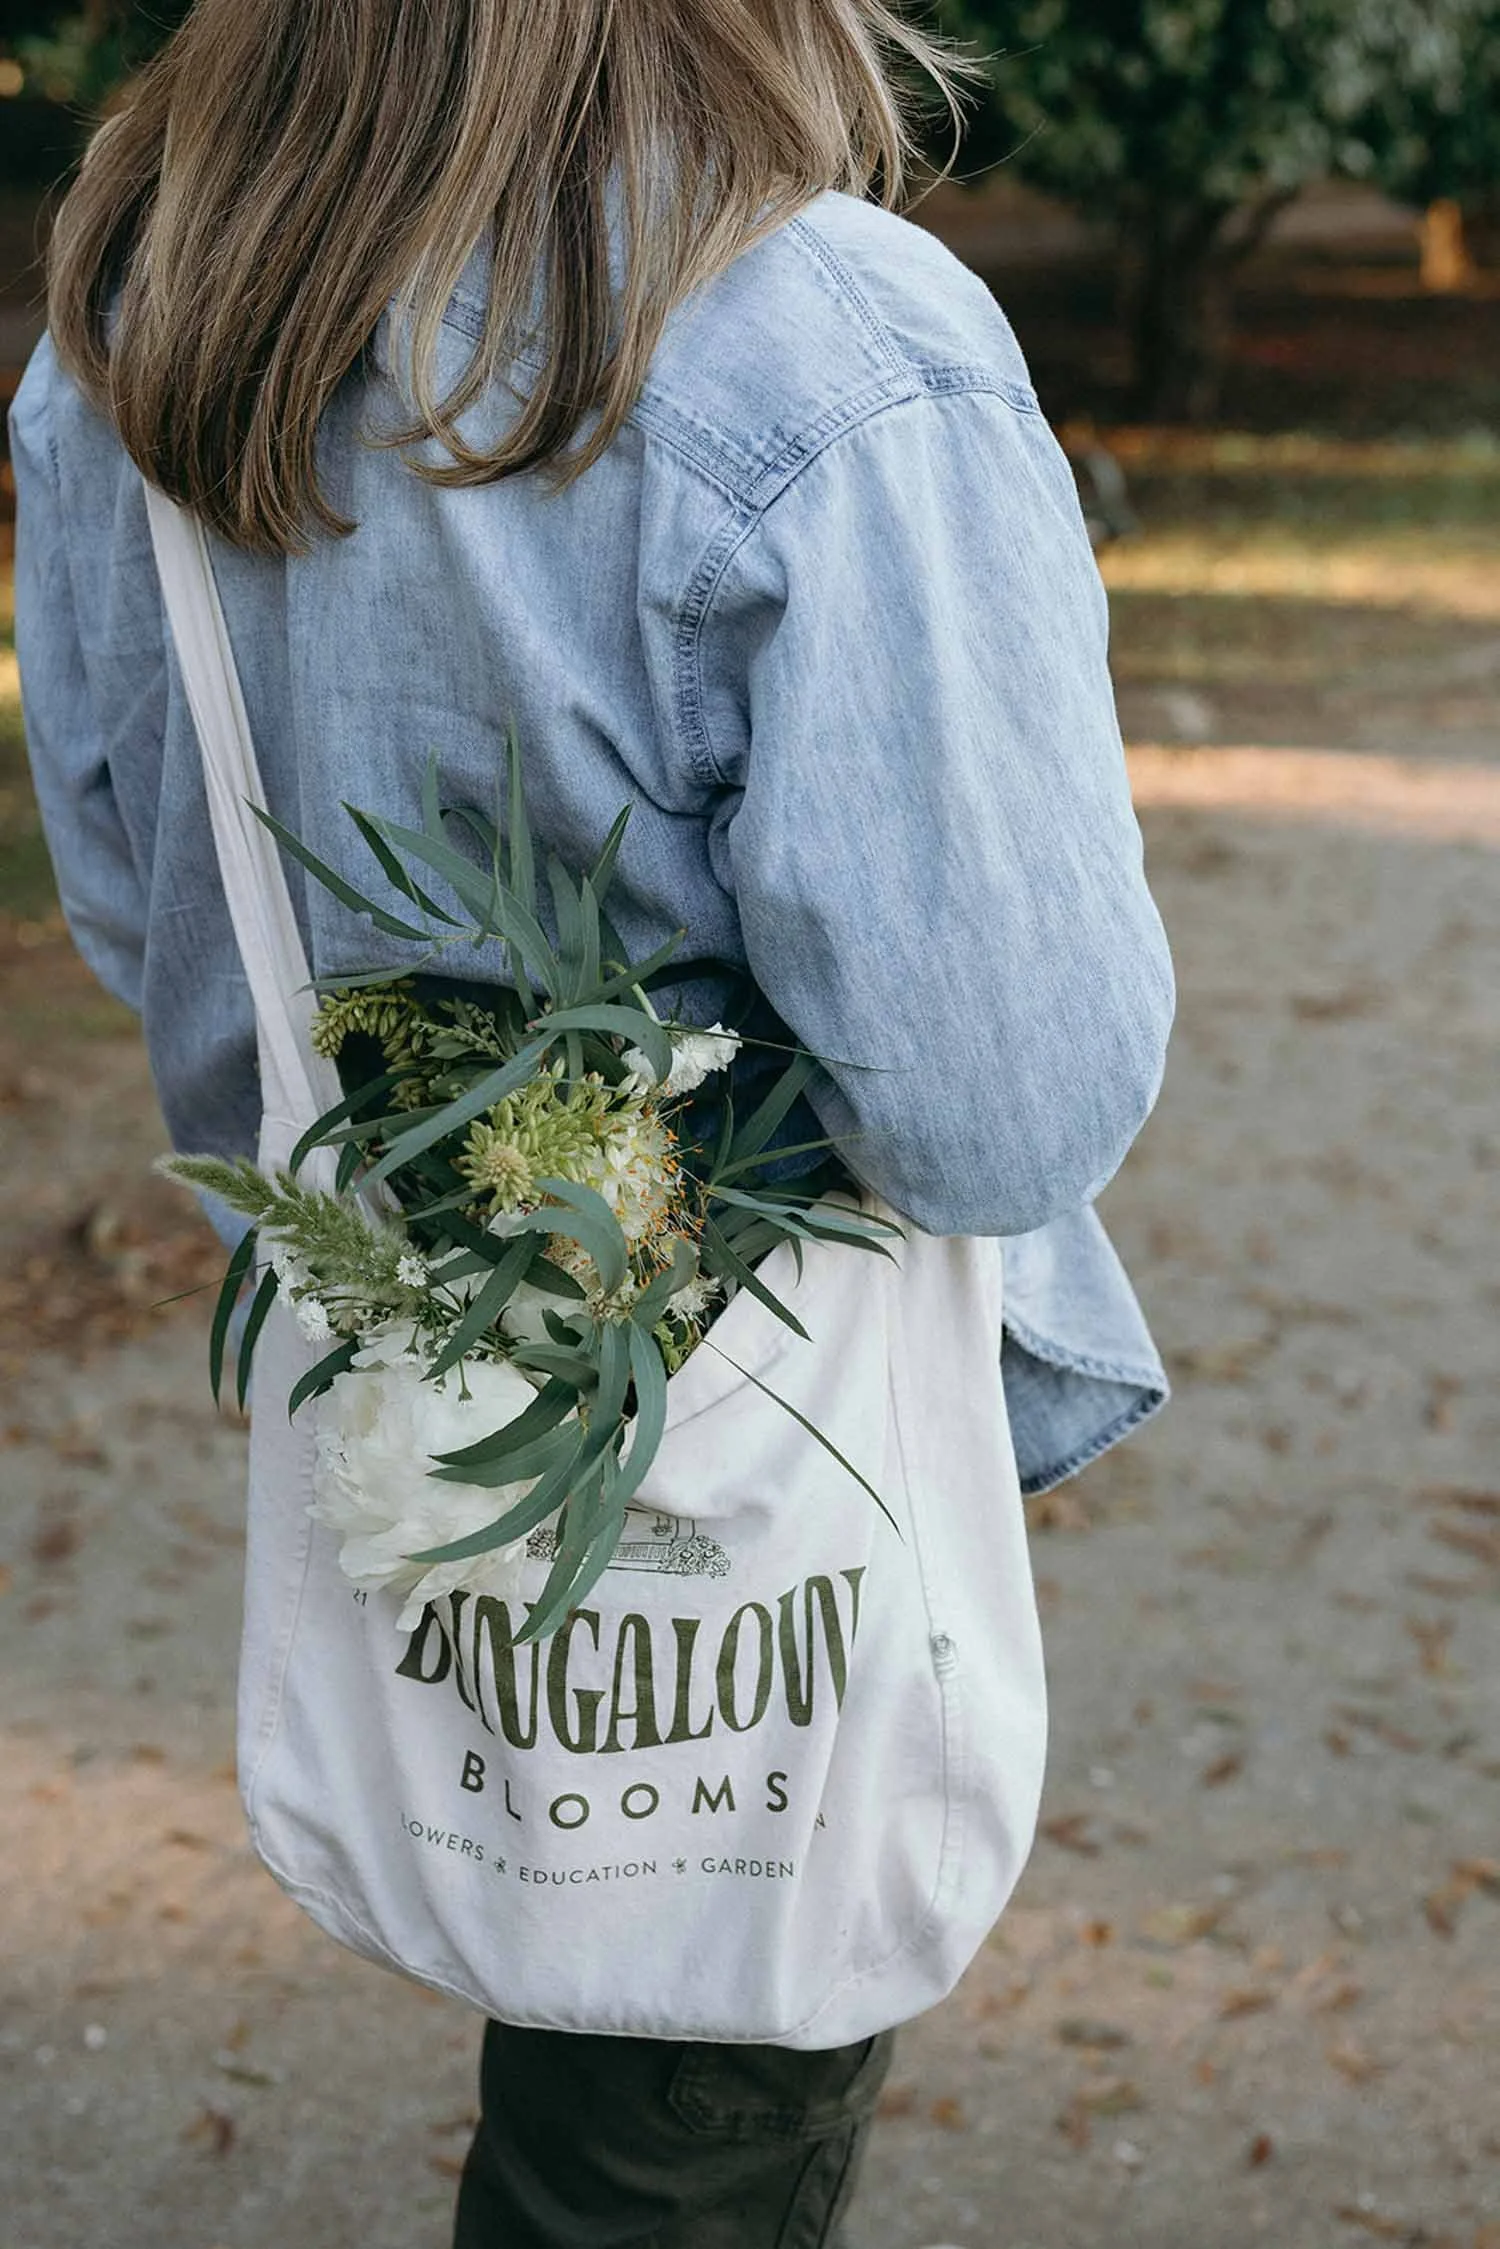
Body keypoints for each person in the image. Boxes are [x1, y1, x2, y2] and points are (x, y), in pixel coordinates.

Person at [10, 3, 1175, 2243]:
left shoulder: (129, 341)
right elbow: (1006, 1103)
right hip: (763, 1456)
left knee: (592, 2014)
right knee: (672, 2116)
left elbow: (128, 895)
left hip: (404, 1383)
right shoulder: (821, 344)